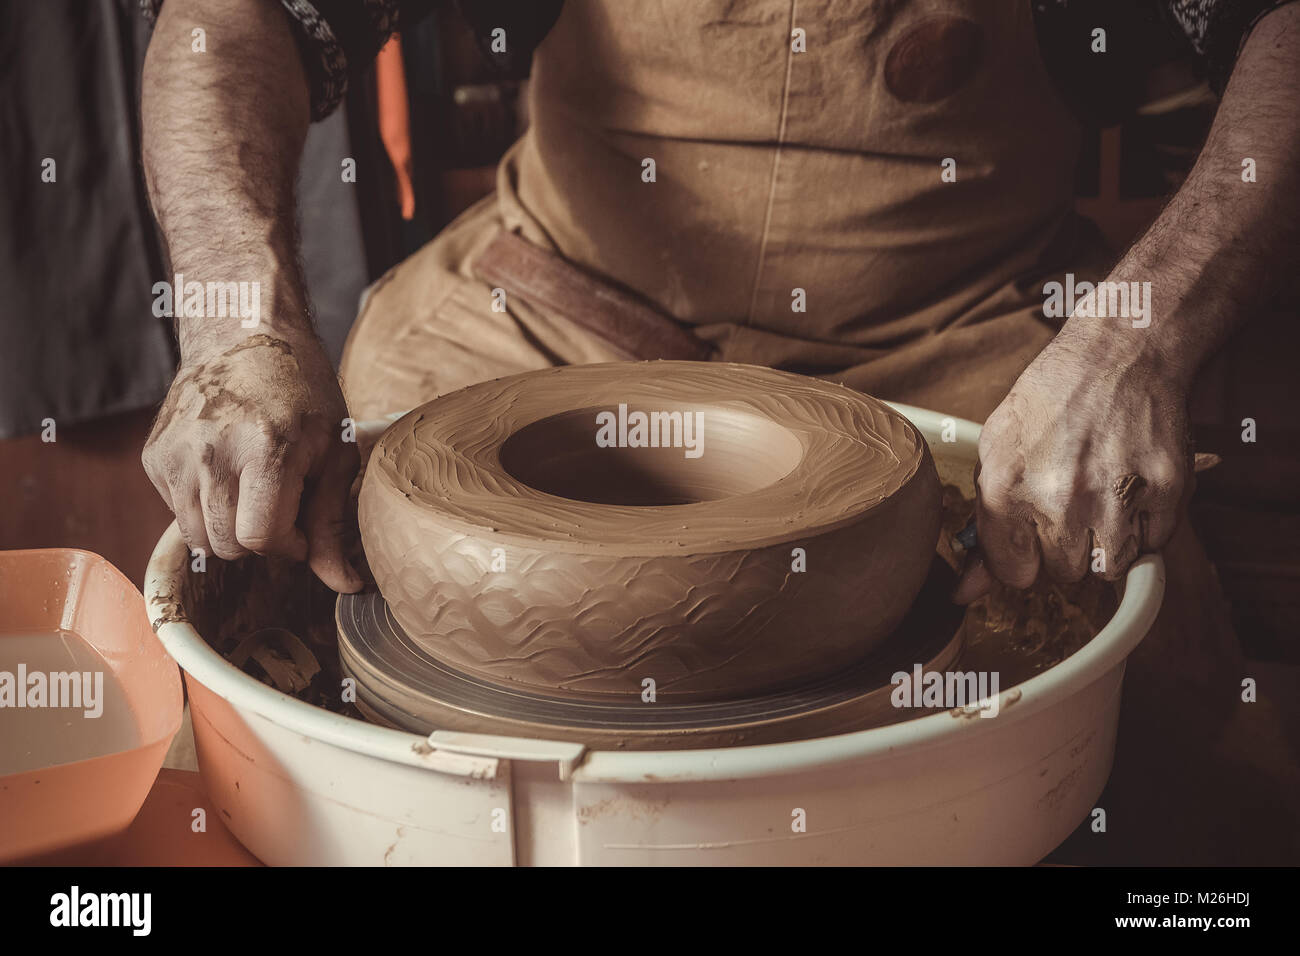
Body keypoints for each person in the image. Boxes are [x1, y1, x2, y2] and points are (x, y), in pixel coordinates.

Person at [138, 0, 1299, 860]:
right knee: (308, 560)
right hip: (557, 314)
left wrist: (1133, 344)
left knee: (1152, 686)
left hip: (957, 326)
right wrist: (237, 318)